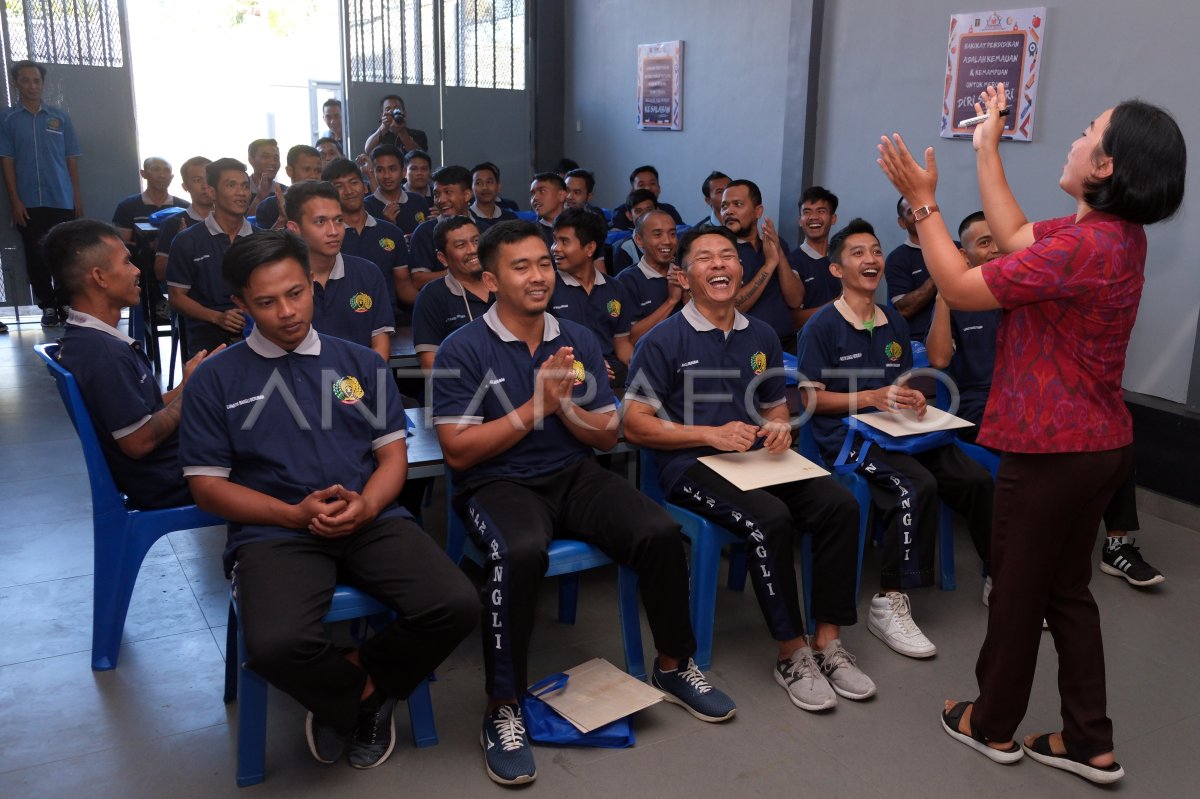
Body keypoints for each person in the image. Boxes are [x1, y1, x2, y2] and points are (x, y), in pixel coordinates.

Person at [877, 83, 1186, 784]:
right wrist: (987, 146)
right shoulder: (1111, 238)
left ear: (1105, 167)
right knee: (1066, 591)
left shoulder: (1085, 249)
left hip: (1053, 451)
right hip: (1102, 446)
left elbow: (959, 284)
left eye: (1086, 131)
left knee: (1017, 590)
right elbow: (1014, 235)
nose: (1075, 138)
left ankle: (991, 724)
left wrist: (922, 202)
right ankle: (1089, 740)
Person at [432, 219, 734, 786]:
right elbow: (457, 452)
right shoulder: (463, 348)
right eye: (521, 266)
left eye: (545, 263)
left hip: (573, 472)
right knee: (520, 551)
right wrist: (535, 407)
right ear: (492, 278)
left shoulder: (577, 338)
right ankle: (503, 708)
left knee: (658, 531)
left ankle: (673, 664)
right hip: (498, 483)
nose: (538, 275)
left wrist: (568, 411)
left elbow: (604, 435)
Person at [179, 229, 477, 771]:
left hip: (370, 515)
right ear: (241, 304)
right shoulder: (216, 379)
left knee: (455, 603)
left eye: (296, 293)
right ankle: (365, 696)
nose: (287, 312)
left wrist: (366, 505)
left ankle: (351, 676)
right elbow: (207, 486)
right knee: (273, 646)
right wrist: (291, 514)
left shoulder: (360, 362)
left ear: (312, 286)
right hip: (275, 530)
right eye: (266, 302)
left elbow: (392, 459)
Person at [623, 225, 874, 713]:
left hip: (757, 459)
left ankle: (828, 641)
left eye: (728, 257)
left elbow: (775, 403)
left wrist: (779, 425)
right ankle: (791, 652)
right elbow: (633, 425)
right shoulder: (663, 340)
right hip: (689, 464)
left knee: (839, 504)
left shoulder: (759, 333)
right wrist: (709, 435)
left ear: (741, 269)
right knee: (770, 519)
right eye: (705, 258)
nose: (719, 265)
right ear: (685, 274)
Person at [928, 213, 1165, 587]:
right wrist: (944, 295)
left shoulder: (1028, 285)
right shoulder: (960, 299)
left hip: (1030, 395)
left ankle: (1117, 545)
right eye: (983, 243)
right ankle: (1021, 566)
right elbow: (939, 359)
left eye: (997, 239)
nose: (994, 249)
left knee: (1111, 438)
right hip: (980, 404)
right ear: (964, 254)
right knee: (1045, 460)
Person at [796, 218, 993, 659]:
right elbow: (809, 399)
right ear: (837, 270)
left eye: (876, 251)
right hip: (847, 438)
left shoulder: (894, 324)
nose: (871, 260)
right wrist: (868, 396)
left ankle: (996, 575)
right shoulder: (822, 327)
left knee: (975, 477)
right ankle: (890, 601)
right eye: (857, 253)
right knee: (915, 485)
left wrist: (912, 400)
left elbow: (904, 383)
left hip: (899, 432)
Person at [47, 219, 217, 508]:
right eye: (127, 262)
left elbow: (144, 411)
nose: (137, 270)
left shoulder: (85, 340)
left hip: (168, 469)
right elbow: (138, 441)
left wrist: (192, 383)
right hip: (171, 479)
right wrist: (190, 394)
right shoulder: (103, 353)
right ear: (99, 277)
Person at [0, 60, 82, 327]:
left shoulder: (59, 117)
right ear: (16, 83)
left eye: (36, 81)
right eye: (25, 80)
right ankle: (47, 306)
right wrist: (15, 199)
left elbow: (71, 159)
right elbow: (7, 161)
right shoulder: (8, 119)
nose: (32, 86)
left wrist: (76, 197)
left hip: (61, 198)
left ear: (42, 83)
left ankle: (66, 303)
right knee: (36, 256)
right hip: (28, 202)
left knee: (64, 253)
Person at [285, 181, 395, 362]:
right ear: (294, 229)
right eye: (320, 222)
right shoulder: (280, 280)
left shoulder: (367, 273)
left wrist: (370, 384)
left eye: (338, 220)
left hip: (359, 383)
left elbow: (380, 345)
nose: (334, 231)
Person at [165, 157, 254, 358]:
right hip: (207, 333)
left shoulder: (261, 238)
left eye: (245, 186)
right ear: (212, 192)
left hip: (259, 330)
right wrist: (217, 317)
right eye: (231, 185)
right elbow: (176, 297)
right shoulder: (187, 240)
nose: (241, 193)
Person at [323, 158, 416, 321]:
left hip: (389, 319)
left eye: (353, 182)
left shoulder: (391, 232)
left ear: (364, 186)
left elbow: (403, 286)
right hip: (340, 321)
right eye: (338, 186)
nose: (348, 190)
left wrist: (434, 301)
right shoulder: (325, 236)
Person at [549, 207, 632, 390]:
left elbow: (622, 344)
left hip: (611, 371)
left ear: (590, 248)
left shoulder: (616, 289)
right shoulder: (546, 287)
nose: (556, 249)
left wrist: (638, 368)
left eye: (564, 241)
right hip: (566, 370)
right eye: (555, 241)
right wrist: (591, 363)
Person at [721, 179, 803, 351]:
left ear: (758, 211)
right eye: (724, 206)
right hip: (744, 344)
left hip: (785, 342)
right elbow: (735, 305)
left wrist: (778, 253)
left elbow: (795, 300)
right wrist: (769, 264)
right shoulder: (721, 251)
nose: (729, 211)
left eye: (737, 204)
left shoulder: (776, 243)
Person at [111, 157, 187, 322]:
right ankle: (158, 303)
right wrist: (152, 246)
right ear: (144, 174)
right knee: (143, 255)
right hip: (143, 260)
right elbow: (121, 243)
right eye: (156, 169)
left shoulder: (184, 207)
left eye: (166, 170)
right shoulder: (128, 206)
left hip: (175, 257)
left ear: (172, 177)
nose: (162, 175)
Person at [411, 216, 492, 370]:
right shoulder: (432, 296)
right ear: (443, 258)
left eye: (476, 241)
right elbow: (430, 365)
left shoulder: (504, 284)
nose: (473, 250)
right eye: (461, 245)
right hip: (464, 389)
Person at [615, 208, 684, 344]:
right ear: (639, 240)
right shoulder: (626, 281)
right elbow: (630, 339)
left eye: (672, 234)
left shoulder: (684, 272)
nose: (667, 241)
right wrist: (671, 301)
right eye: (658, 235)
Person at [408, 165, 473, 287]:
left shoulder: (484, 230)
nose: (441, 200)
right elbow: (418, 280)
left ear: (467, 195)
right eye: (436, 194)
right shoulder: (425, 232)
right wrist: (458, 271)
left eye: (448, 192)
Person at [789, 186, 842, 328]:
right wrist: (839, 304)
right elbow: (794, 320)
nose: (813, 217)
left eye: (821, 211)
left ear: (833, 218)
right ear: (800, 220)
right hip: (809, 344)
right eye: (807, 212)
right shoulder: (791, 262)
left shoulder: (843, 257)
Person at [154, 156, 214, 282]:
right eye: (197, 180)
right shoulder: (173, 223)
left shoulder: (230, 219)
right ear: (185, 186)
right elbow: (160, 274)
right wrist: (180, 245)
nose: (205, 186)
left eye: (209, 178)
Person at [885, 197, 936, 343]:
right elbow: (904, 310)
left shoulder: (957, 248)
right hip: (919, 342)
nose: (920, 214)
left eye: (923, 208)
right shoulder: (896, 259)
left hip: (965, 338)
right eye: (911, 211)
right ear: (902, 222)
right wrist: (940, 274)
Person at [363, 145, 429, 236]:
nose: (386, 176)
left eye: (392, 169)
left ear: (403, 172)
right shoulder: (366, 207)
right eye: (380, 170)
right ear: (373, 173)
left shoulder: (418, 201)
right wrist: (388, 225)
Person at [253, 145, 324, 230]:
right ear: (289, 171)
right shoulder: (269, 206)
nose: (314, 176)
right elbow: (263, 242)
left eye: (318, 171)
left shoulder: (328, 204)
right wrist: (282, 219)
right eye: (307, 169)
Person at [610, 165, 684, 230]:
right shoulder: (621, 212)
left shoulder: (668, 210)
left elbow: (682, 234)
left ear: (659, 188)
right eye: (641, 185)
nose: (648, 188)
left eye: (652, 183)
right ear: (632, 191)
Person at [363, 93, 429, 155]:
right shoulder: (376, 134)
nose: (392, 112)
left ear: (404, 113)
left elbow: (420, 157)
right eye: (388, 109)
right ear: (382, 115)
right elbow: (368, 150)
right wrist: (383, 127)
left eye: (397, 109)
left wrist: (402, 132)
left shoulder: (418, 135)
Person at [611, 189, 658, 273]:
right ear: (629, 215)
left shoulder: (669, 240)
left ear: (657, 211)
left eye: (649, 210)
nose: (645, 215)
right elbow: (622, 283)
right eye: (638, 211)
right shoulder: (625, 248)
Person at [469, 162, 517, 230]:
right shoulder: (466, 218)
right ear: (471, 189)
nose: (485, 187)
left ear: (498, 186)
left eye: (489, 182)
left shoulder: (511, 218)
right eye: (478, 183)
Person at [528, 171, 567, 250]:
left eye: (542, 191)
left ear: (561, 195)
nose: (535, 198)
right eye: (532, 193)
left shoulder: (581, 227)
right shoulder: (529, 232)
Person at [246, 138, 281, 213]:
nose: (272, 162)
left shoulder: (284, 192)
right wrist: (259, 198)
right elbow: (240, 224)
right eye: (265, 157)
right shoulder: (241, 190)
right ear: (251, 159)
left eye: (276, 158)